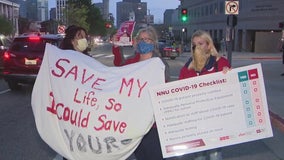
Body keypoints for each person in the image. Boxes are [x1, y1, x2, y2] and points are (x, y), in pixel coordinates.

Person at [112, 26, 170, 160]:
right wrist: (116, 46)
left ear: (153, 42)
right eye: (141, 39)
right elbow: (118, 68)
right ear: (136, 42)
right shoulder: (132, 62)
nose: (144, 42)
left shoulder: (159, 64)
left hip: (153, 123)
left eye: (147, 39)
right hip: (135, 121)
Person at [179, 30, 231, 160]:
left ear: (209, 45)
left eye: (200, 43)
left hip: (214, 117)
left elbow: (230, 90)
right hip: (196, 118)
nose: (197, 47)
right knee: (199, 155)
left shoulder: (221, 63)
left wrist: (229, 75)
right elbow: (179, 91)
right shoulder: (188, 67)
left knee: (215, 154)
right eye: (194, 44)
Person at [59, 25, 89, 160]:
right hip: (70, 115)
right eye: (80, 37)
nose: (84, 40)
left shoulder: (90, 60)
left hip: (86, 114)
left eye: (85, 37)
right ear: (72, 41)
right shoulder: (63, 61)